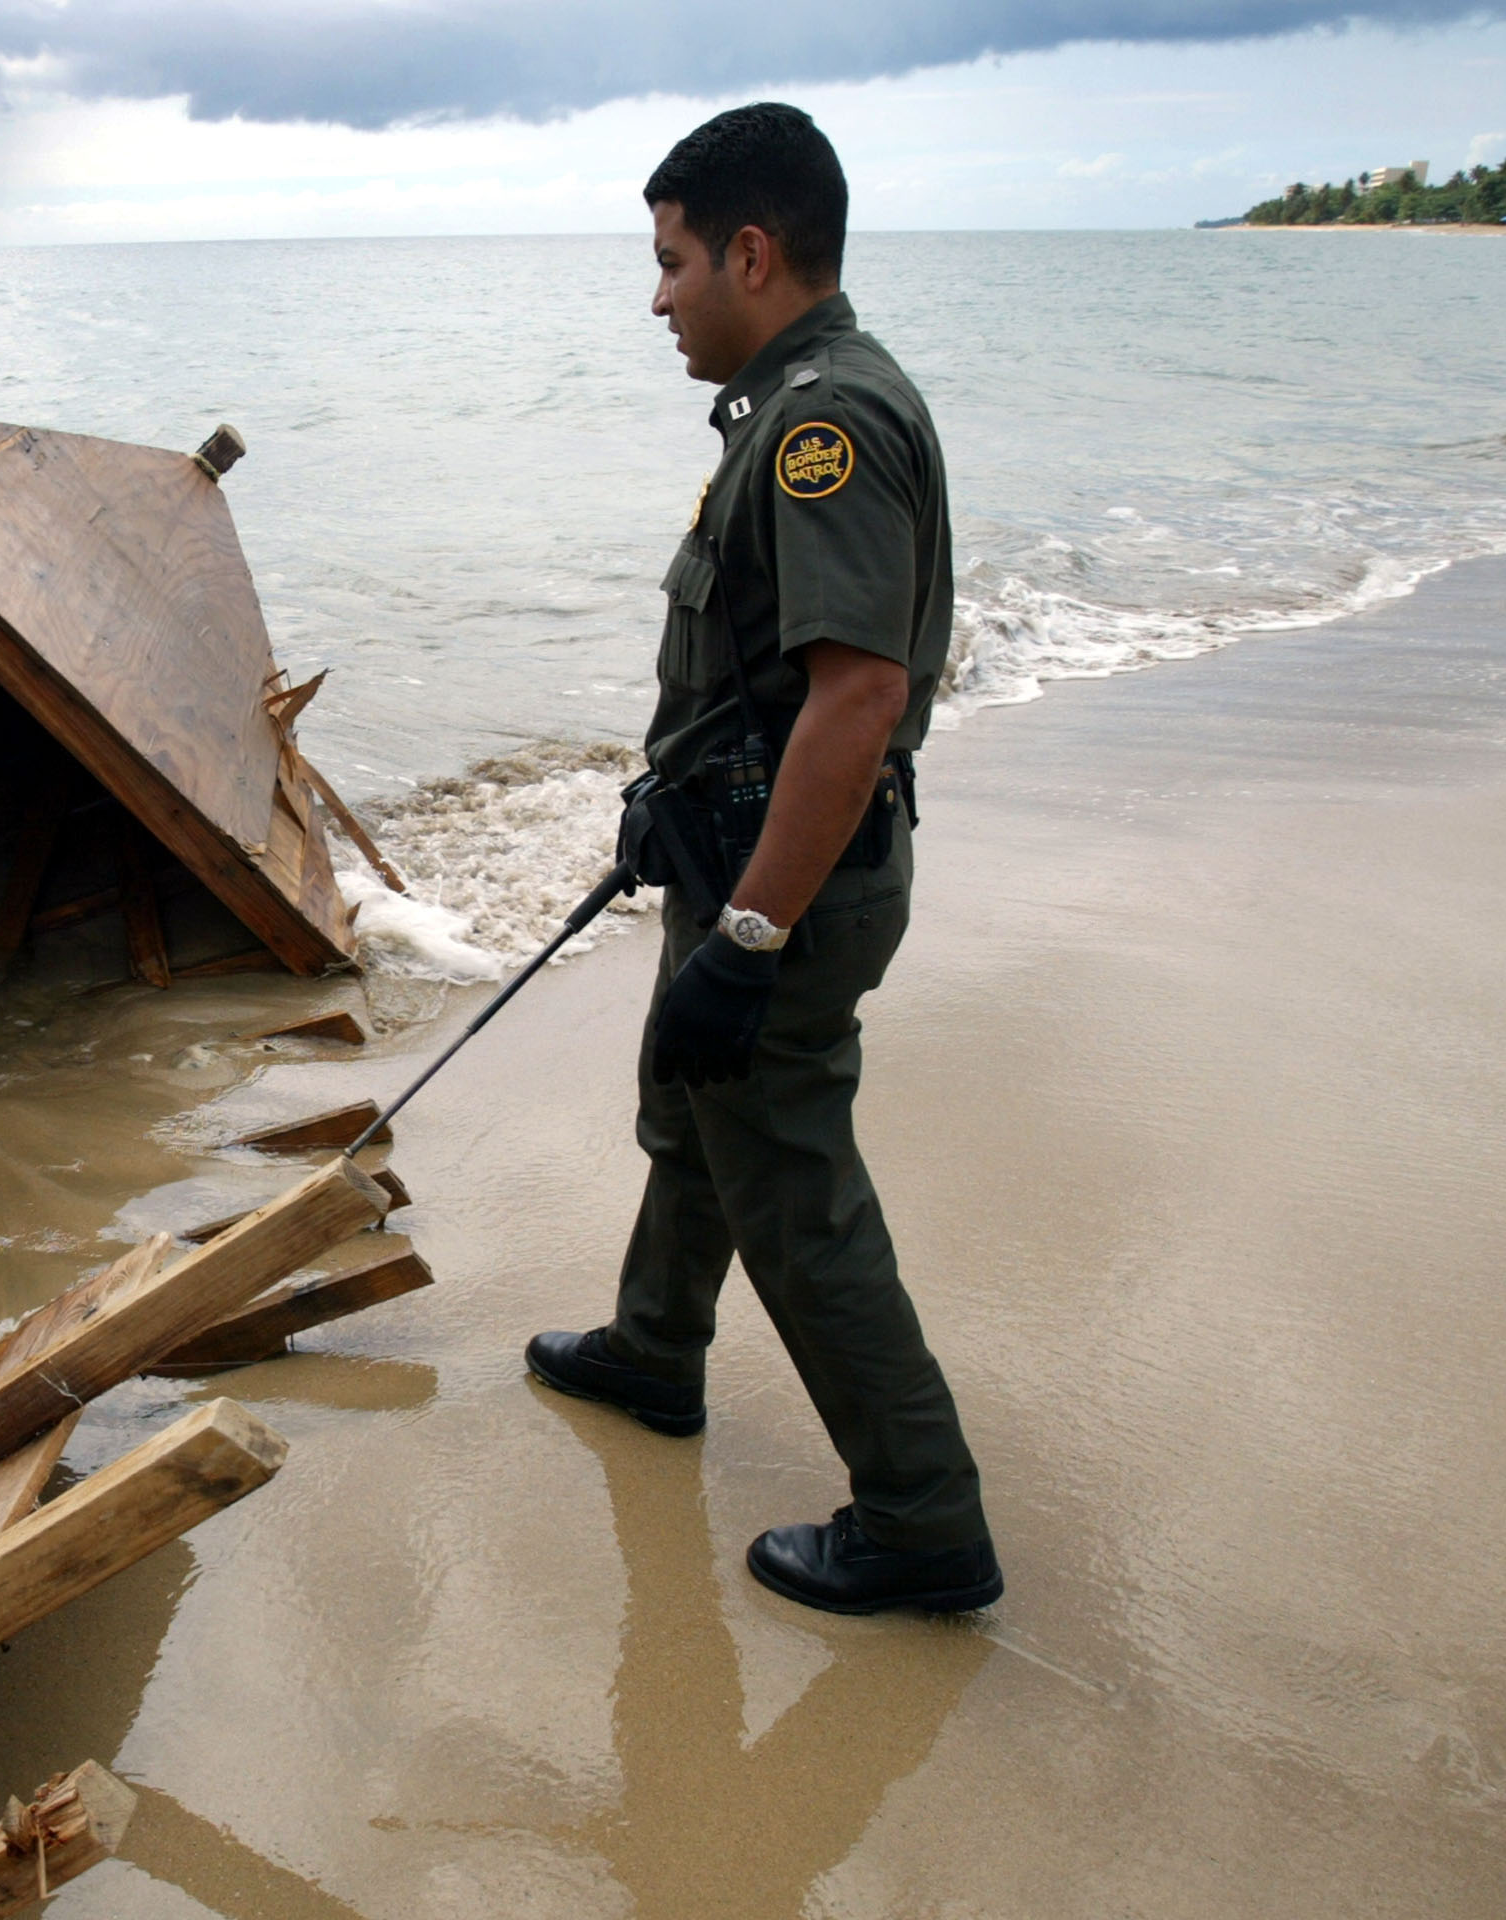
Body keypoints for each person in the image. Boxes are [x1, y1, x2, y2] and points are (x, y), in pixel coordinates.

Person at [525, 103, 1003, 1615]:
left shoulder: (824, 426)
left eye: (671, 262)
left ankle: (922, 1515)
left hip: (791, 886)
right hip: (750, 856)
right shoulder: (800, 398)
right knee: (695, 1110)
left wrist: (747, 939)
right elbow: (775, 691)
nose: (657, 295)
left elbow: (859, 697)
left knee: (792, 1186)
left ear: (753, 248)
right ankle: (656, 1352)